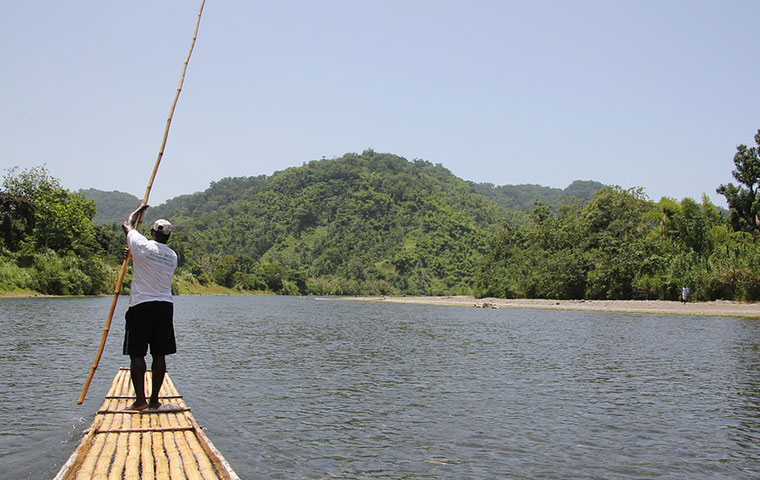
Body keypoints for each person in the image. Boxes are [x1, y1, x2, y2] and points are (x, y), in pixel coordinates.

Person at [121, 202, 178, 410]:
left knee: (137, 353)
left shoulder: (142, 245)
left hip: (141, 304)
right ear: (168, 237)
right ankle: (154, 400)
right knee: (159, 354)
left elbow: (127, 224)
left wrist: (138, 209)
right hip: (164, 306)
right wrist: (131, 254)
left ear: (152, 232)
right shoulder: (172, 256)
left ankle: (140, 401)